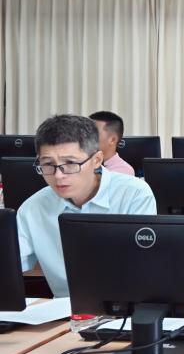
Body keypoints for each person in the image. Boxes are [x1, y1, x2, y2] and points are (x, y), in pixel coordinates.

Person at [17, 114, 156, 297]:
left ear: (96, 160)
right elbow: (12, 265)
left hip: (127, 307)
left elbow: (143, 268)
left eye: (70, 163)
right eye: (48, 164)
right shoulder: (33, 208)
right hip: (63, 310)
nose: (58, 175)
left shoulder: (133, 194)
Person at [89, 111, 135, 176]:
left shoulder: (123, 171)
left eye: (93, 133)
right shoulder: (81, 162)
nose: (86, 136)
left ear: (112, 140)